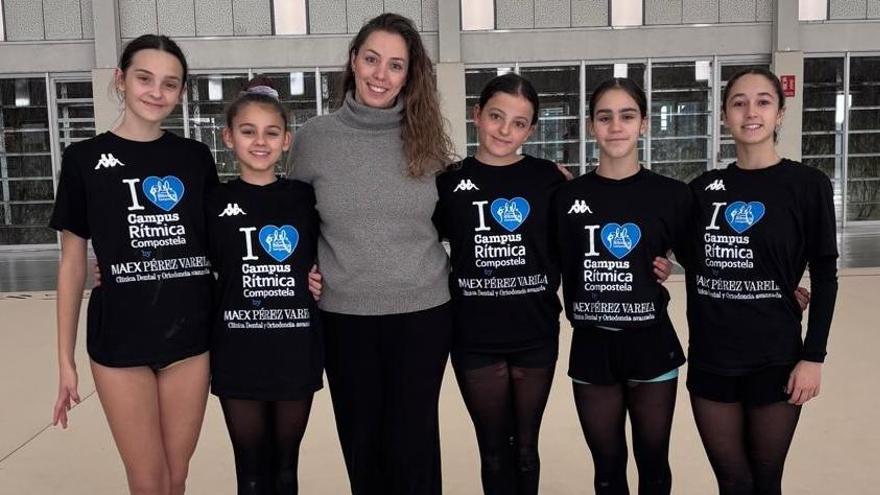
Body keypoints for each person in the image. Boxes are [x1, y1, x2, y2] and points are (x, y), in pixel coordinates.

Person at [288, 13, 455, 495]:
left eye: (396, 65)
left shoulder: (428, 141)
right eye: (372, 59)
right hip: (345, 317)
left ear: (411, 74)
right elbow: (290, 220)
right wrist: (300, 272)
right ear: (353, 61)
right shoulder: (314, 139)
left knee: (415, 444)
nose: (381, 75)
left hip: (423, 314)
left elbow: (463, 214)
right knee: (363, 445)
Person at [50, 34, 217, 495]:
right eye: (145, 78)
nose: (156, 92)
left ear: (181, 92)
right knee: (147, 481)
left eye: (170, 83)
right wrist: (65, 361)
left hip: (188, 338)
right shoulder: (83, 160)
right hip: (120, 342)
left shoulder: (194, 158)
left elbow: (219, 241)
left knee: (175, 477)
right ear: (121, 80)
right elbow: (71, 265)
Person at [686, 68, 838, 495]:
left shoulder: (807, 185)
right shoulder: (703, 190)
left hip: (776, 357)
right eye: (739, 102)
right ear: (724, 115)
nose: (750, 112)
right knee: (732, 482)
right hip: (712, 357)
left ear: (780, 113)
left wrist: (814, 357)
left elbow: (825, 275)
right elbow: (676, 244)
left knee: (766, 480)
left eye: (763, 101)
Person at [552, 78, 690, 495]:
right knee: (608, 470)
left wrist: (783, 286)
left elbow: (715, 258)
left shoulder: (672, 195)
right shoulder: (565, 197)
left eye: (627, 116)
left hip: (651, 345)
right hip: (593, 347)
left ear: (644, 124)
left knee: (654, 466)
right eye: (605, 117)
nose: (616, 127)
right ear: (592, 125)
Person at [434, 73, 566, 495]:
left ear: (531, 128)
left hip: (535, 332)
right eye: (496, 116)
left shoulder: (551, 180)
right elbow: (414, 242)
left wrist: (650, 263)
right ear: (477, 115)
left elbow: (586, 239)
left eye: (519, 122)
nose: (504, 130)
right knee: (492, 450)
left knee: (525, 448)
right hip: (474, 335)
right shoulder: (449, 182)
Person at [205, 77, 323, 495]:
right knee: (251, 473)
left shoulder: (306, 199)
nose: (260, 142)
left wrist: (323, 278)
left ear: (287, 140)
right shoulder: (212, 203)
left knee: (286, 470)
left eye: (271, 132)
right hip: (237, 353)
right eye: (248, 131)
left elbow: (338, 251)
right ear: (228, 137)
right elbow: (187, 263)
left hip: (295, 351)